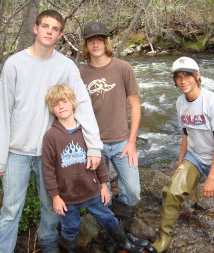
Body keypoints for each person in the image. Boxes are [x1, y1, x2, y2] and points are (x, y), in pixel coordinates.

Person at [0, 10, 103, 253]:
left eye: (54, 29)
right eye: (45, 26)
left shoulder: (65, 66)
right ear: (35, 29)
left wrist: (94, 147)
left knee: (52, 209)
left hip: (49, 154)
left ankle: (49, 247)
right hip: (16, 152)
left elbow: (82, 105)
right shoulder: (15, 64)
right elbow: (3, 112)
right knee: (11, 210)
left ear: (60, 35)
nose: (49, 31)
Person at [151, 56, 214, 252]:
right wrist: (181, 159)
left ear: (197, 76)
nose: (183, 81)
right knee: (171, 192)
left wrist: (210, 178)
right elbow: (186, 132)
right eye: (178, 77)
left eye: (187, 76)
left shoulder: (212, 102)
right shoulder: (180, 102)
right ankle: (164, 236)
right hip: (194, 155)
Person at [41, 85, 145, 253]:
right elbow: (48, 170)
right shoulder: (50, 136)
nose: (61, 106)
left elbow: (100, 160)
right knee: (70, 227)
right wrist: (55, 197)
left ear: (73, 103)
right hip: (68, 197)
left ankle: (124, 243)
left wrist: (104, 185)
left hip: (92, 190)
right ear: (52, 109)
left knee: (108, 218)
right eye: (56, 104)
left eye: (64, 101)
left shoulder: (87, 130)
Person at [79, 21, 151, 250]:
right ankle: (119, 239)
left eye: (99, 39)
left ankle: (120, 232)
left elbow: (136, 106)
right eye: (91, 40)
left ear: (106, 41)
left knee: (132, 191)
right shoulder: (81, 74)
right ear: (86, 45)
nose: (96, 44)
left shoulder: (122, 68)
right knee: (104, 196)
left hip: (122, 142)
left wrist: (132, 141)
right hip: (94, 145)